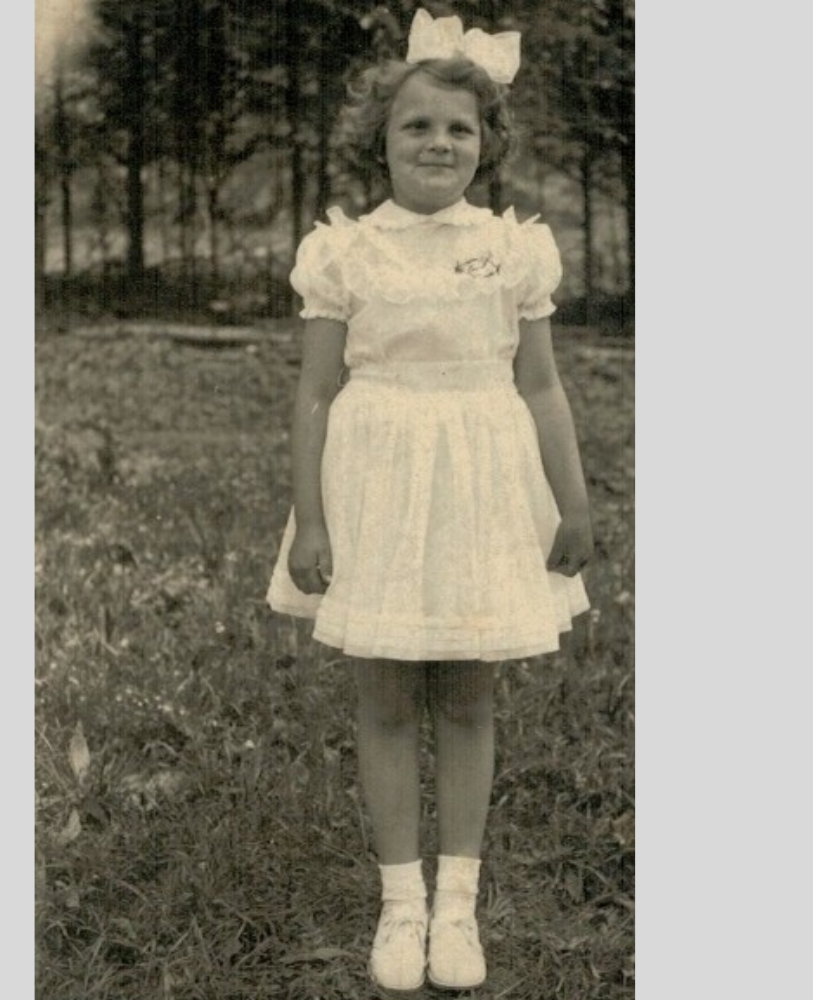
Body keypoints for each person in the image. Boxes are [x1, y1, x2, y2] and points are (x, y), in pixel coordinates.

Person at [266, 9, 593, 992]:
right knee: (383, 698)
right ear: (380, 139)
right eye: (417, 125)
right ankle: (399, 902)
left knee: (464, 694)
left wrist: (572, 504)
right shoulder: (346, 252)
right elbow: (315, 393)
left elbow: (541, 385)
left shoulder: (512, 249)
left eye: (460, 126)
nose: (438, 142)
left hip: (482, 488)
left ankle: (457, 904)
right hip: (376, 484)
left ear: (487, 143)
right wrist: (312, 520)